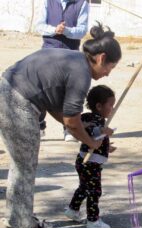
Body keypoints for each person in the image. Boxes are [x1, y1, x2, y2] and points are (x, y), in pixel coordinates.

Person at [0, 23, 121, 228]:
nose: (107, 74)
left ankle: (16, 216)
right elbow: (71, 121)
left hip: (9, 90)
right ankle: (26, 226)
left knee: (21, 163)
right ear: (101, 58)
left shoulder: (73, 59)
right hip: (17, 100)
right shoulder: (81, 73)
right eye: (109, 68)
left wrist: (82, 130)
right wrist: (91, 142)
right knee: (26, 164)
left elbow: (60, 110)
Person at [64, 85, 116, 228]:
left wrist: (107, 146)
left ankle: (72, 210)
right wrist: (102, 130)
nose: (112, 108)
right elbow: (91, 130)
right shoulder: (95, 120)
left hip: (85, 161)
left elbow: (95, 139)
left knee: (84, 188)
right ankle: (93, 220)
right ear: (99, 106)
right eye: (110, 105)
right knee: (94, 191)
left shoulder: (92, 117)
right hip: (90, 163)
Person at [36, 0, 89, 141]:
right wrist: (54, 30)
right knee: (43, 90)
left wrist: (67, 31)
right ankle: (39, 127)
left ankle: (69, 129)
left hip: (70, 54)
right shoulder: (49, 2)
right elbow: (39, 26)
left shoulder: (81, 3)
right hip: (48, 52)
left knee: (69, 92)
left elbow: (82, 30)